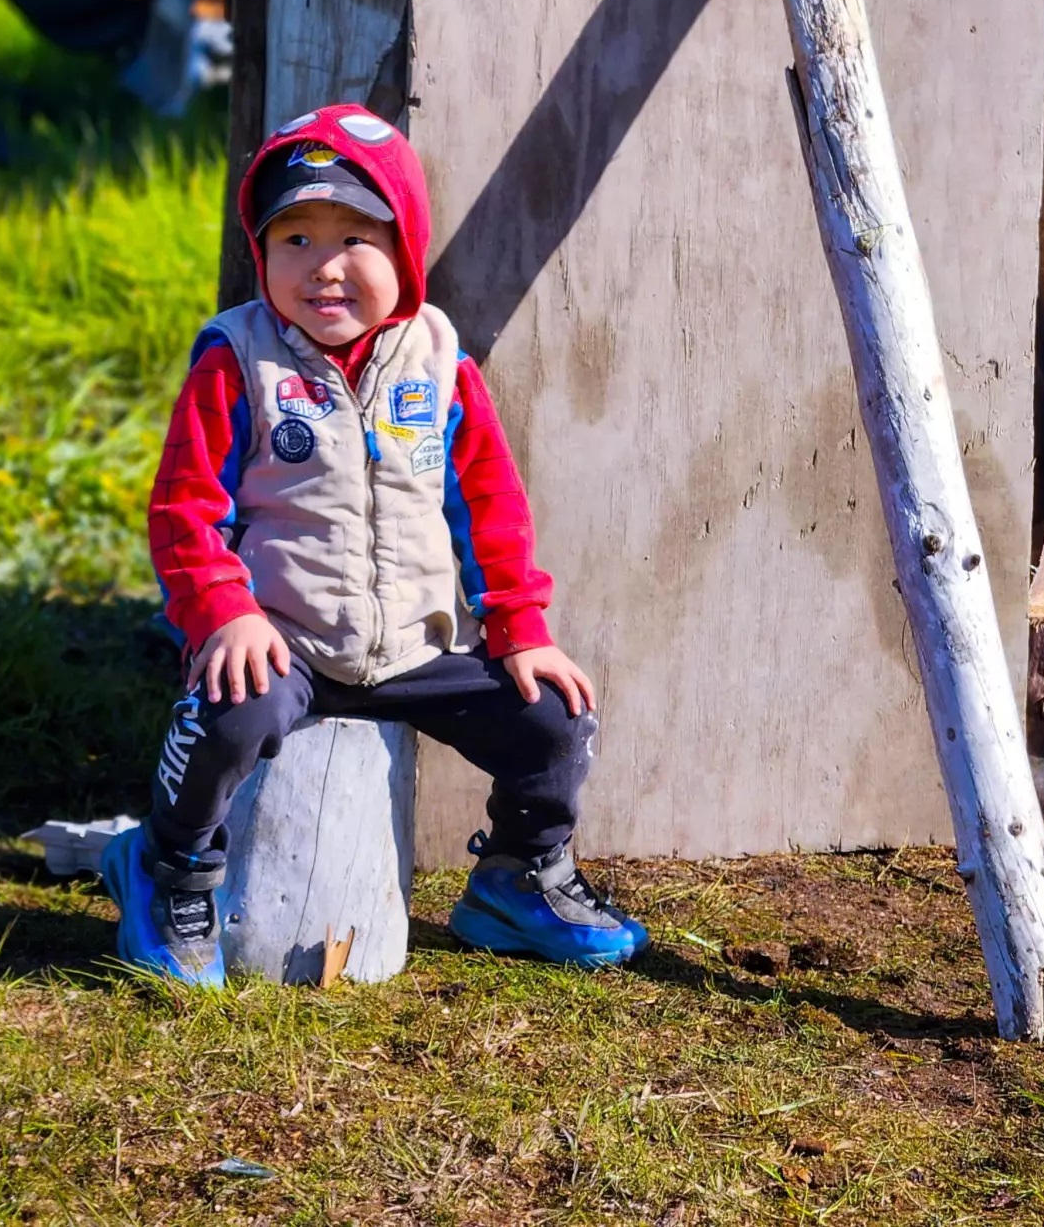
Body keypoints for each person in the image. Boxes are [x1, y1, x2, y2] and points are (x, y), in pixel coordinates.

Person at [101, 101, 647, 985]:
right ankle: (167, 866)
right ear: (262, 254)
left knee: (555, 718)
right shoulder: (237, 359)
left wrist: (520, 625)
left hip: (414, 647)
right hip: (289, 641)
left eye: (355, 237)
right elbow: (183, 511)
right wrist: (223, 615)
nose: (325, 267)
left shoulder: (440, 362)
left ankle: (518, 876)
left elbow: (488, 502)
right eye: (295, 240)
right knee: (229, 713)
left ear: (406, 249)